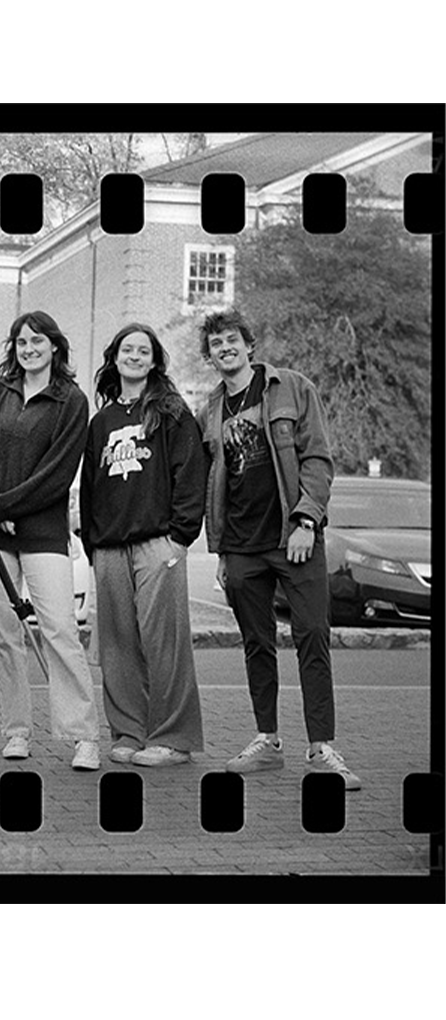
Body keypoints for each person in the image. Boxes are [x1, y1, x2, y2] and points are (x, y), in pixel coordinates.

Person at [197, 307, 361, 789]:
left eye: (232, 340)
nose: (225, 348)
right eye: (216, 344)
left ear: (249, 345)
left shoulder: (290, 387)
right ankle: (267, 740)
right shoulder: (209, 410)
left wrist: (307, 519)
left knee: (312, 634)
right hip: (242, 546)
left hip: (295, 537)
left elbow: (318, 457)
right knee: (256, 644)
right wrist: (223, 553)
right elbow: (213, 483)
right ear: (209, 357)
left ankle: (322, 747)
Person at [0, 311, 102, 768]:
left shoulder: (71, 400)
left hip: (42, 532)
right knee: (5, 636)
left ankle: (82, 735)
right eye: (21, 342)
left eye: (37, 341)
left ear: (55, 347)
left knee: (59, 630)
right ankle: (16, 731)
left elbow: (58, 474)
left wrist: (4, 507)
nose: (29, 349)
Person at [80, 323, 207, 767]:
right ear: (115, 358)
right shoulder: (102, 422)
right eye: (126, 349)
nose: (134, 356)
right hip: (109, 547)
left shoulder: (170, 411)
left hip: (158, 543)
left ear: (154, 361)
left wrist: (180, 538)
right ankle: (129, 732)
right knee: (116, 645)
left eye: (143, 350)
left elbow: (191, 475)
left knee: (163, 643)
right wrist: (92, 544)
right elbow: (89, 487)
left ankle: (173, 739)